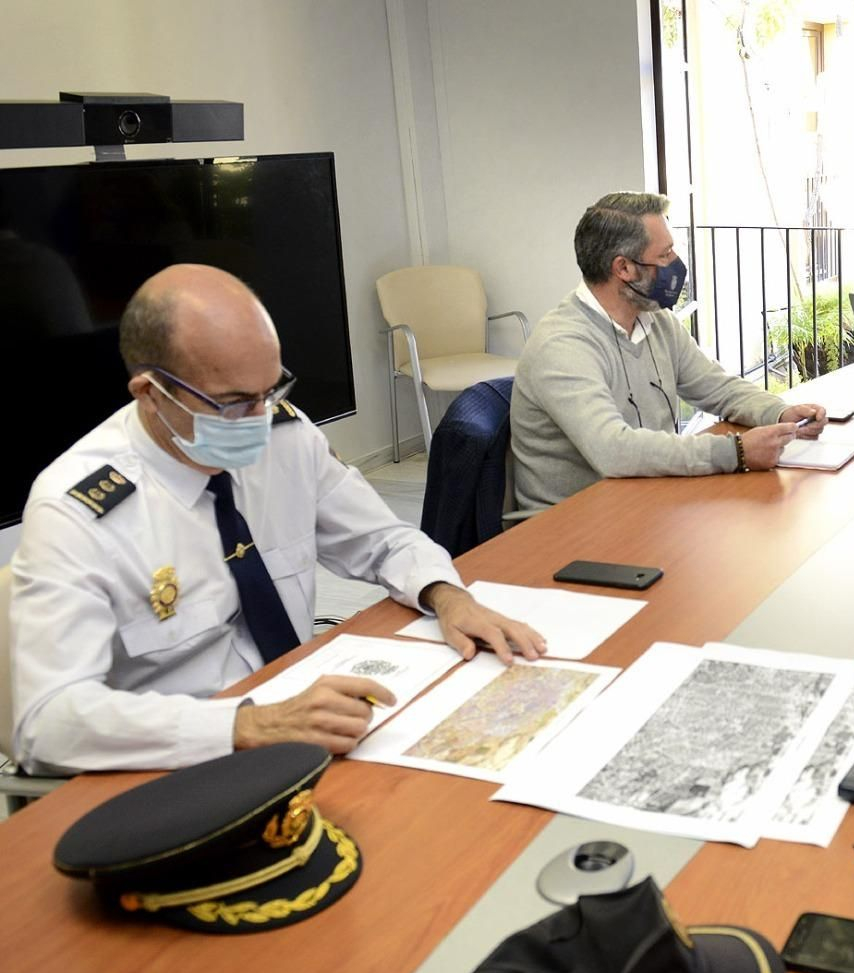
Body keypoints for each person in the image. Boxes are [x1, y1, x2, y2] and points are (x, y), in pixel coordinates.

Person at [10, 265, 546, 776]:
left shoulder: (285, 439)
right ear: (152, 394)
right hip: (184, 760)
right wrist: (247, 724)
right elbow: (47, 720)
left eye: (271, 391)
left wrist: (446, 595)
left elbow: (383, 540)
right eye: (234, 403)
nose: (260, 420)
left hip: (305, 721)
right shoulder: (77, 509)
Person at [509, 192, 826, 515]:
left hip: (643, 499)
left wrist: (779, 413)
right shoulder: (562, 345)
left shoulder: (655, 320)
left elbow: (718, 387)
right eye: (665, 254)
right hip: (568, 526)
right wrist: (737, 452)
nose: (676, 264)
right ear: (624, 268)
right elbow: (613, 450)